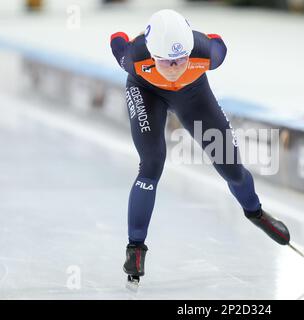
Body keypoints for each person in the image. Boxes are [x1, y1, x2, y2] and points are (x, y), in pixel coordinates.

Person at [110, 9, 290, 283]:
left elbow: (218, 39)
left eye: (181, 59)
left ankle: (255, 212)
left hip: (193, 95)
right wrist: (126, 37)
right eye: (167, 62)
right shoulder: (134, 57)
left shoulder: (208, 53)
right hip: (146, 92)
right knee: (151, 163)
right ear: (152, 53)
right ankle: (135, 248)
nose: (175, 68)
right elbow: (117, 39)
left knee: (230, 167)